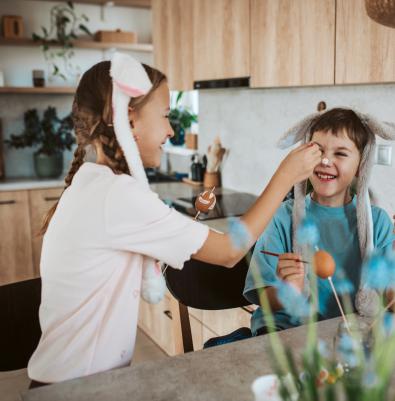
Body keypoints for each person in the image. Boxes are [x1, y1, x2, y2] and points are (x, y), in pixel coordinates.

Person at [27, 53, 322, 386]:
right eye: (165, 116)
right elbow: (228, 251)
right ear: (128, 120)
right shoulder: (118, 195)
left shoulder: (90, 182)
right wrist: (285, 176)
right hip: (76, 389)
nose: (170, 129)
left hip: (65, 380)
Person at [243, 107, 395, 336]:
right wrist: (285, 291)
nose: (326, 160)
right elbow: (264, 299)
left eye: (340, 153)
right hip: (286, 333)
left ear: (361, 166)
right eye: (318, 150)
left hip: (349, 336)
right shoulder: (281, 217)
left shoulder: (377, 222)